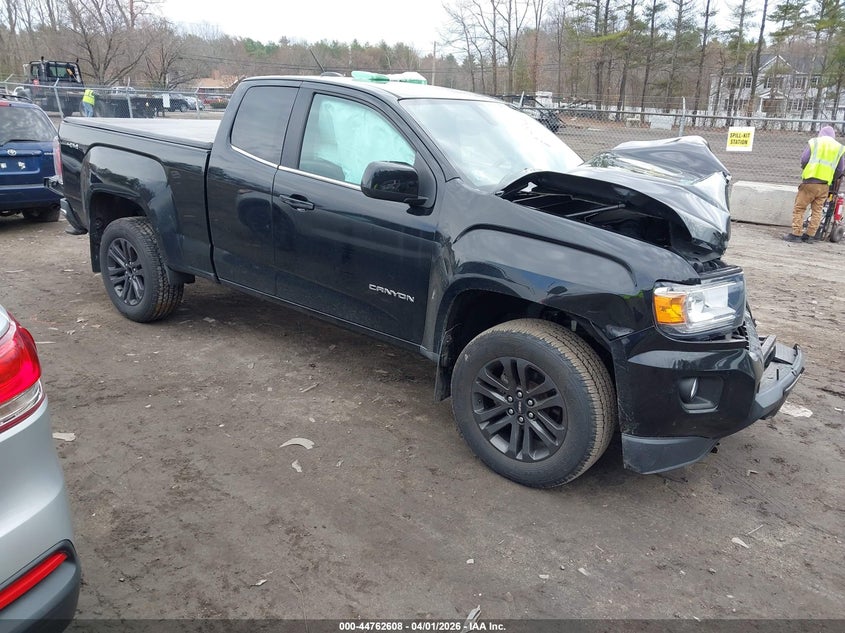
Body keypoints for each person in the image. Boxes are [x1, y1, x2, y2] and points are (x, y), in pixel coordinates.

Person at [785, 125, 845, 243]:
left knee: (800, 208)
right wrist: (831, 177)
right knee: (817, 210)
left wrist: (807, 169)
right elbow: (840, 169)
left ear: (821, 133)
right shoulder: (839, 148)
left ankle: (796, 234)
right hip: (825, 185)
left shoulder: (814, 142)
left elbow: (804, 159)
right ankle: (810, 236)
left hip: (810, 182)